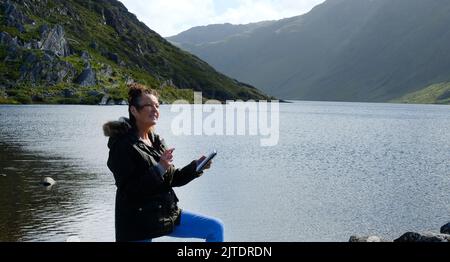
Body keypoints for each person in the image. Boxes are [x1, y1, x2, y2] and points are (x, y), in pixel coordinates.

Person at [103, 83, 224, 242]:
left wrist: (195, 168)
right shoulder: (122, 145)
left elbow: (173, 179)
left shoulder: (156, 140)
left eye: (157, 106)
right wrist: (159, 168)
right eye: (149, 105)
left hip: (165, 214)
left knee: (214, 228)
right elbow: (129, 190)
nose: (155, 110)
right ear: (134, 110)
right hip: (137, 225)